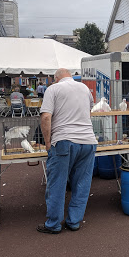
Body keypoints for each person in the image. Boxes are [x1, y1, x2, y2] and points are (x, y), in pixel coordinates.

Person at [37, 68, 97, 234]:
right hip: (88, 141)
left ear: (56, 79)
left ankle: (54, 224)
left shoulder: (53, 89)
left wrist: (48, 142)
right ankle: (74, 221)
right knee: (82, 184)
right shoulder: (85, 88)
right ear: (70, 76)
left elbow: (46, 117)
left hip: (63, 140)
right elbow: (88, 112)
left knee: (57, 183)